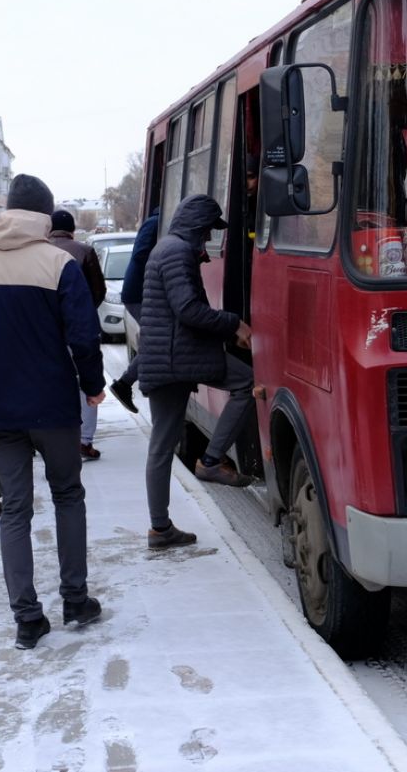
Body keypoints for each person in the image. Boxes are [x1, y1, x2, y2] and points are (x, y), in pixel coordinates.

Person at [0, 173, 106, 651]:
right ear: (43, 215)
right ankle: (75, 599)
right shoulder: (59, 264)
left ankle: (27, 618)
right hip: (53, 408)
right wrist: (93, 387)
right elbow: (84, 336)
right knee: (67, 495)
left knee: (15, 508)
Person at [134, 194, 253, 550]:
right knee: (245, 383)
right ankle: (211, 461)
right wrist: (234, 324)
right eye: (207, 232)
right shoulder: (178, 252)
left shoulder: (168, 247)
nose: (207, 239)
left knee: (162, 444)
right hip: (179, 356)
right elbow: (188, 309)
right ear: (198, 227)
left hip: (169, 355)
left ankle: (160, 527)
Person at [47, 208, 107, 459]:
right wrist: (83, 312)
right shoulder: (84, 251)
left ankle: (49, 436)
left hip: (48, 332)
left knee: (50, 381)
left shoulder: (40, 253)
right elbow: (98, 289)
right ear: (71, 230)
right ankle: (84, 441)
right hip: (79, 328)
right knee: (87, 381)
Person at [109, 208, 161, 413]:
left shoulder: (157, 221)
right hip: (139, 293)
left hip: (140, 291)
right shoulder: (155, 222)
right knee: (157, 341)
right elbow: (141, 255)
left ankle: (129, 383)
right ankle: (125, 383)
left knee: (154, 340)